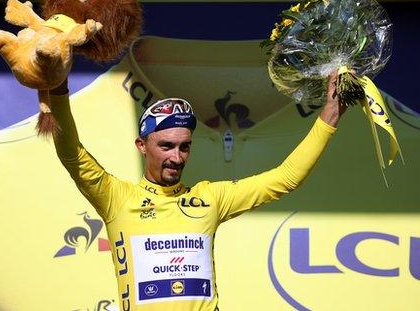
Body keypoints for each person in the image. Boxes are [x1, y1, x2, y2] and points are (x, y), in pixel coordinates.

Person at [47, 71, 345, 311]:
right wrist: (58, 86)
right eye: (166, 146)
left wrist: (331, 113)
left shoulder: (209, 199)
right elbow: (71, 153)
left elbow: (286, 178)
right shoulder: (117, 199)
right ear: (142, 146)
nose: (177, 158)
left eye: (184, 147)